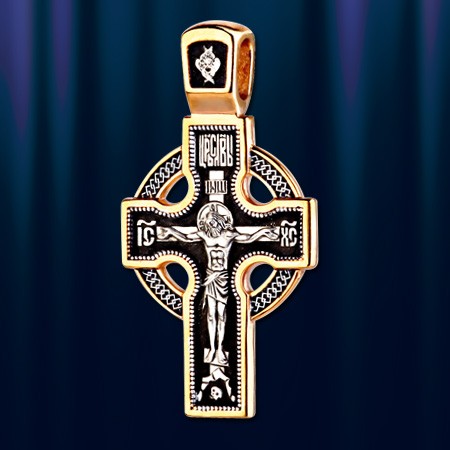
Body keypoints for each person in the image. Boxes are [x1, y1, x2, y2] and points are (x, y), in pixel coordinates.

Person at [158, 202, 278, 365]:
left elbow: (248, 238)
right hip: (210, 277)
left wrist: (264, 231)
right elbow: (185, 237)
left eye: (212, 220)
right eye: (208, 221)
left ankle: (220, 348)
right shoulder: (204, 235)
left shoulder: (229, 235)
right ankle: (212, 348)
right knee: (210, 315)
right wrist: (169, 231)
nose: (210, 223)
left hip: (222, 278)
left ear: (218, 219)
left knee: (221, 315)